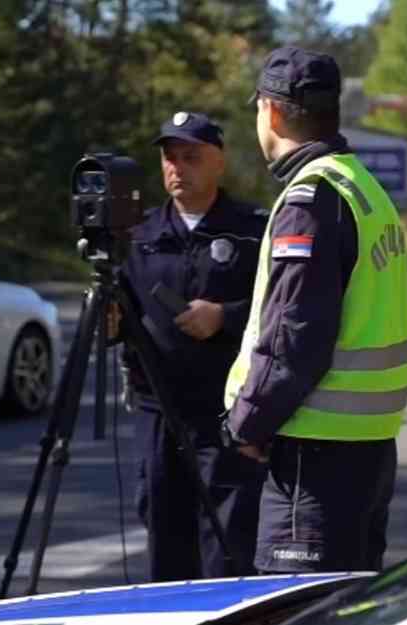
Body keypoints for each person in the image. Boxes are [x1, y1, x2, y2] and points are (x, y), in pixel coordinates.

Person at [223, 46, 407, 574]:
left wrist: (248, 425)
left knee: (297, 606)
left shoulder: (311, 198)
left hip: (314, 455)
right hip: (368, 451)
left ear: (274, 112)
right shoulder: (365, 188)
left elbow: (293, 337)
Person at [113, 111, 268, 581]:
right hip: (158, 410)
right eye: (169, 158)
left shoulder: (252, 229)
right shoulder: (136, 234)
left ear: (218, 162)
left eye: (191, 157)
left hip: (223, 413)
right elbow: (117, 319)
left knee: (228, 540)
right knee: (164, 533)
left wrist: (224, 316)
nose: (177, 167)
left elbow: (278, 311)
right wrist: (106, 320)